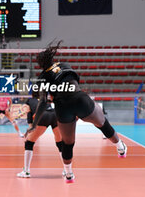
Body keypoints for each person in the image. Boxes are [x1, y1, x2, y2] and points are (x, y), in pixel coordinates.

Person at [26, 40, 127, 183]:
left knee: (68, 143)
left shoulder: (42, 78)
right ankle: (120, 147)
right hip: (79, 100)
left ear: (40, 64)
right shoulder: (64, 65)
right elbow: (74, 83)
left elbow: (42, 103)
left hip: (62, 107)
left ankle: (68, 174)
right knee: (102, 123)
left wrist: (35, 124)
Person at [17, 94, 64, 178]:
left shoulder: (29, 100)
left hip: (43, 116)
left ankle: (26, 171)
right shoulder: (45, 98)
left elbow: (29, 113)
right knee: (60, 143)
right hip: (54, 114)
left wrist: (30, 127)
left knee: (29, 143)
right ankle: (67, 171)